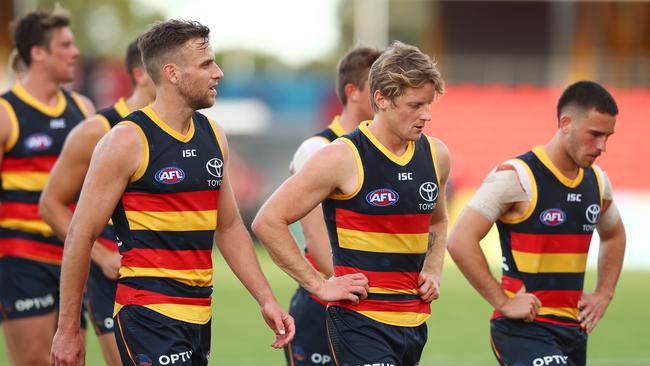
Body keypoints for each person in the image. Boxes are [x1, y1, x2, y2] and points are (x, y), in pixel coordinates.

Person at [50, 19, 294, 366]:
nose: (219, 73)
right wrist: (68, 328)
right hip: (146, 313)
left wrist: (266, 299)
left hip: (198, 316)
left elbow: (227, 228)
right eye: (206, 64)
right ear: (172, 73)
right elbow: (80, 234)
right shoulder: (126, 140)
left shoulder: (213, 135)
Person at [253, 41, 449, 366]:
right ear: (381, 99)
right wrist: (319, 284)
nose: (426, 115)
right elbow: (268, 221)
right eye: (415, 105)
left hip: (414, 322)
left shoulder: (436, 154)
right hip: (360, 322)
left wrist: (433, 267)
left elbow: (438, 221)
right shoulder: (341, 156)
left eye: (429, 104)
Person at [447, 80, 626, 366]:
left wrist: (604, 293)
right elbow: (459, 239)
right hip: (523, 330)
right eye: (594, 134)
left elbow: (614, 235)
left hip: (573, 331)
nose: (602, 146)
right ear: (565, 123)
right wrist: (503, 301)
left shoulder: (598, 183)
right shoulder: (516, 176)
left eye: (608, 136)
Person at [39, 37, 155, 366]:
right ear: (142, 74)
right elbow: (51, 205)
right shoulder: (98, 130)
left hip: (169, 285)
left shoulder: (182, 131)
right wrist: (102, 255)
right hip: (113, 278)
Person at [0, 8, 95, 366]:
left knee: (70, 360)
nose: (75, 52)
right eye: (65, 45)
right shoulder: (6, 112)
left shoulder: (83, 110)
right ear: (37, 52)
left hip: (72, 261)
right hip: (22, 261)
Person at [285, 46, 381, 366]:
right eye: (378, 87)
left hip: (371, 302)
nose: (387, 96)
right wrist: (372, 291)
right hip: (326, 304)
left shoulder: (383, 152)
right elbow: (316, 241)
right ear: (352, 92)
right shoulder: (318, 149)